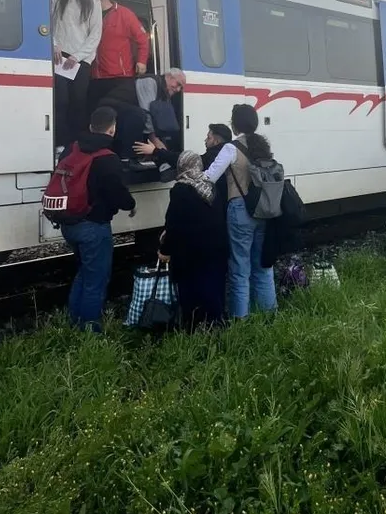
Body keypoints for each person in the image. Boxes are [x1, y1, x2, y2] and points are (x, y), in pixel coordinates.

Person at [59, 106, 136, 331]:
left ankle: (75, 323)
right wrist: (131, 204)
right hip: (93, 225)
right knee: (96, 281)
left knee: (84, 273)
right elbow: (117, 192)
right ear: (112, 129)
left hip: (68, 222)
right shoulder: (107, 157)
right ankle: (90, 332)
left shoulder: (70, 148)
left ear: (91, 126)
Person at [203, 104, 277, 319]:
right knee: (262, 265)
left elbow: (209, 177)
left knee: (239, 269)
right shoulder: (263, 146)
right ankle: (268, 315)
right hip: (264, 209)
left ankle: (240, 320)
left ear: (235, 125)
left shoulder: (231, 148)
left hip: (240, 210)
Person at [158, 151, 226, 328]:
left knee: (191, 291)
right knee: (212, 286)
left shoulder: (181, 189)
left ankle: (194, 326)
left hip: (190, 253)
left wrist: (165, 250)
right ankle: (216, 323)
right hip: (215, 248)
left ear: (181, 166)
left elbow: (173, 224)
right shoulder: (211, 186)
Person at [51, 0, 103, 151]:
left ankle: (76, 145)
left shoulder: (93, 1)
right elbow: (49, 22)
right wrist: (54, 43)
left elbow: (95, 34)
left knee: (78, 103)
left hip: (81, 59)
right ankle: (60, 143)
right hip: (60, 56)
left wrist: (78, 56)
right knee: (60, 101)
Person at [100, 69, 186, 161]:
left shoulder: (164, 94)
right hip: (111, 106)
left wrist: (162, 150)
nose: (178, 89)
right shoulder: (150, 81)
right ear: (169, 77)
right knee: (139, 115)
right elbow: (147, 111)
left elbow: (159, 121)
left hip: (126, 110)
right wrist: (154, 139)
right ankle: (128, 158)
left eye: (181, 88)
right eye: (178, 84)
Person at [89, 0, 150, 103]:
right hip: (96, 75)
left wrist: (142, 61)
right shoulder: (90, 16)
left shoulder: (125, 14)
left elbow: (143, 39)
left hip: (120, 76)